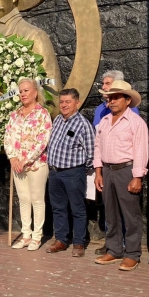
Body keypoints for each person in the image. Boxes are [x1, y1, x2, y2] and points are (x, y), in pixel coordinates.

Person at [93, 81, 148, 271]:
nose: (112, 101)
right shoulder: (105, 122)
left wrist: (137, 177)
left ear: (127, 100)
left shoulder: (136, 122)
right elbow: (98, 147)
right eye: (110, 97)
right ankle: (114, 249)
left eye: (117, 97)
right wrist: (98, 172)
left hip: (127, 170)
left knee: (130, 214)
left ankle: (132, 254)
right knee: (110, 212)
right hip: (108, 170)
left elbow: (141, 150)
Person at [46, 88, 95, 257]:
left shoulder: (83, 124)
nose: (64, 105)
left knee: (77, 208)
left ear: (77, 103)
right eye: (62, 102)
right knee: (58, 208)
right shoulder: (58, 120)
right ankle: (61, 240)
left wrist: (80, 169)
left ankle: (79, 243)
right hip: (54, 172)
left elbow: (91, 152)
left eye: (68, 102)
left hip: (73, 173)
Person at [4, 78, 52, 251]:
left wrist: (27, 159)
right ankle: (26, 235)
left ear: (35, 92)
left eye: (26, 90)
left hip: (36, 164)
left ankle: (37, 237)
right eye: (21, 91)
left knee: (37, 200)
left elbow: (43, 140)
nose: (23, 94)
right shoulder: (14, 115)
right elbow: (8, 138)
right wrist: (13, 158)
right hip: (17, 165)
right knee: (24, 199)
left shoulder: (42, 114)